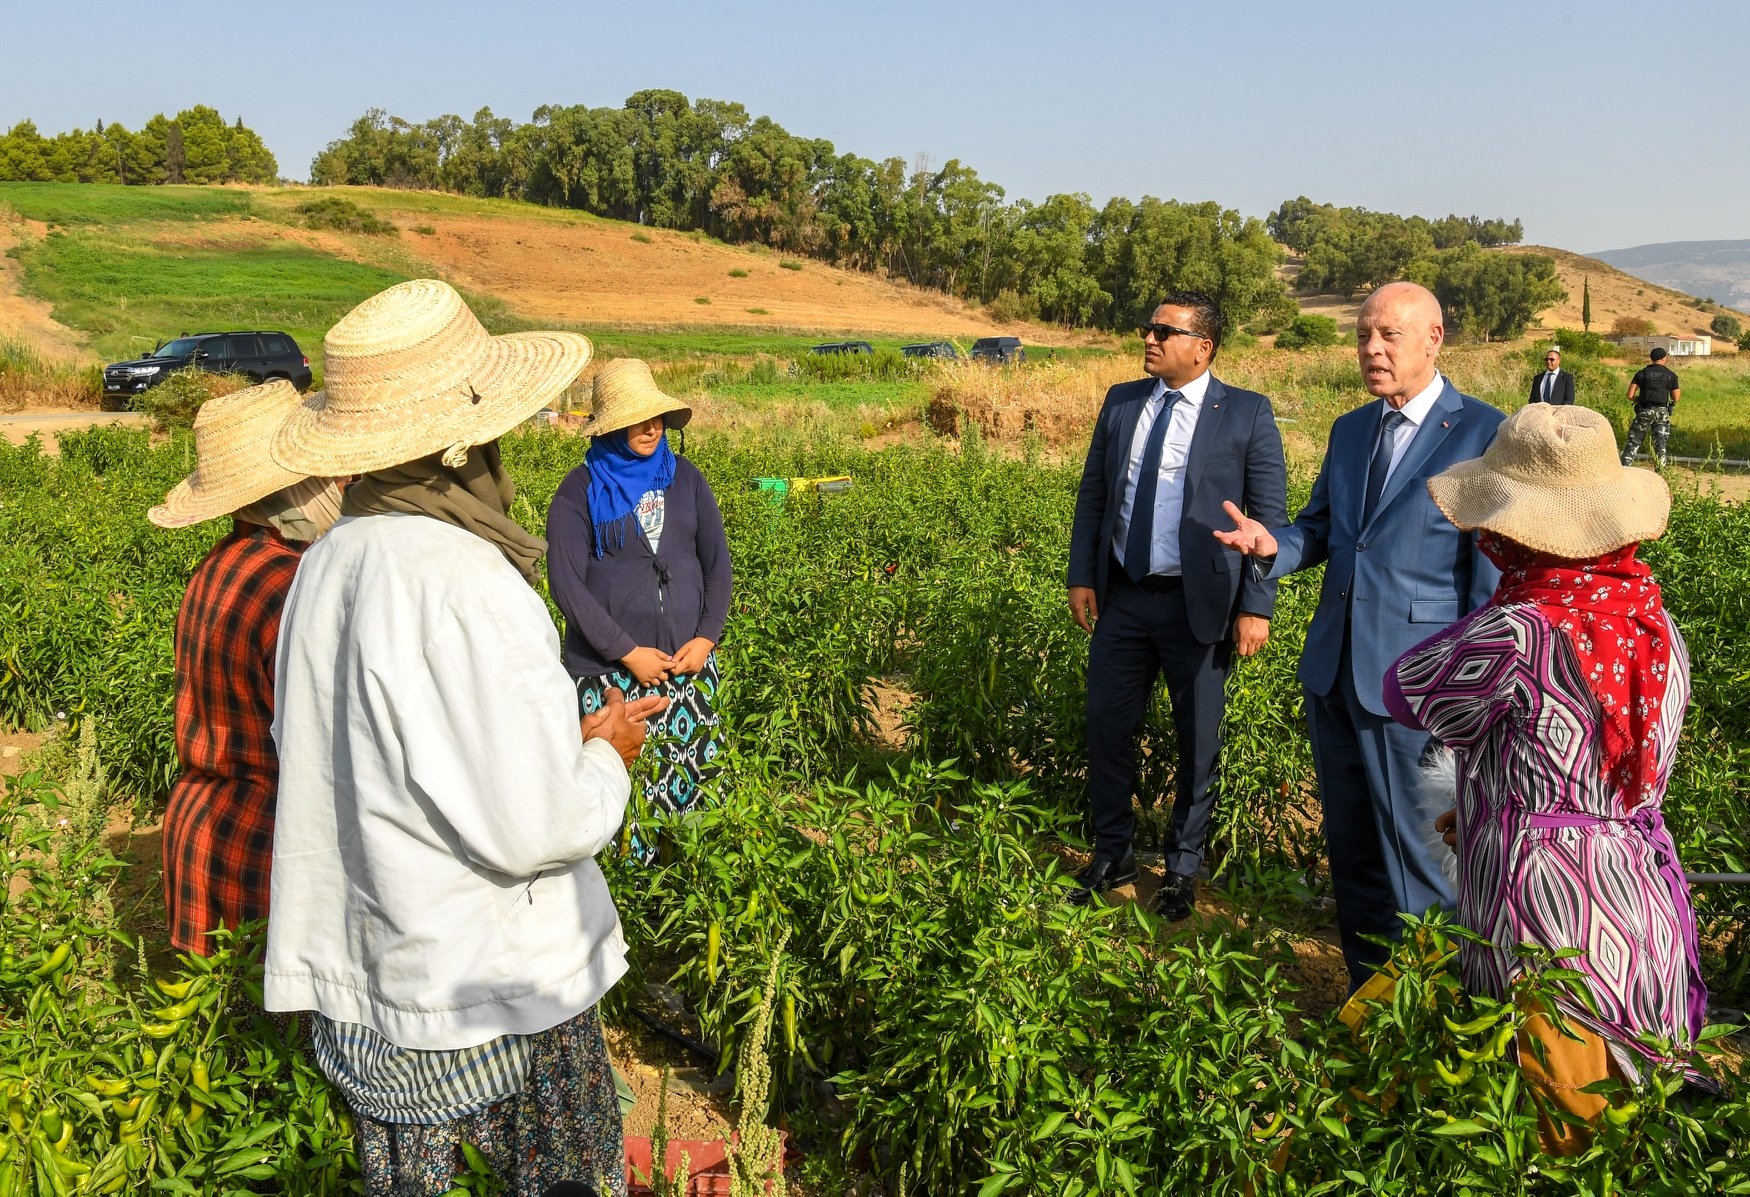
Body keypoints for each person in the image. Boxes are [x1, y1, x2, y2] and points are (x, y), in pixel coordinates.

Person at [264, 280, 662, 1197]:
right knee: (562, 1175)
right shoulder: (467, 578)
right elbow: (536, 821)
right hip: (484, 994)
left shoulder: (325, 564)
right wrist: (604, 754)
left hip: (376, 976)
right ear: (461, 446)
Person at [1385, 403, 1707, 1153]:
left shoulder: (1519, 630)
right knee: (1629, 1121)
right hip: (1637, 898)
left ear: (1513, 532)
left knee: (1539, 1121)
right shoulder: (1654, 623)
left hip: (1540, 909)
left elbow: (1405, 690)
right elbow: (1585, 759)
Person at [1215, 281, 1505, 988]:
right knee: (1354, 856)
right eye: (1363, 337)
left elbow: (1488, 580)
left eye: (1390, 336)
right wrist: (1271, 544)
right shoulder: (1352, 430)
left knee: (1423, 859)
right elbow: (1321, 527)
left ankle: (1433, 1020)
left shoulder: (1483, 433)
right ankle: (1371, 1001)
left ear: (1434, 339)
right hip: (1338, 674)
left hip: (1419, 689)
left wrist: (1468, 698)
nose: (1372, 350)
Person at [1065, 291, 1288, 917]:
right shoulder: (1121, 402)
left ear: (1203, 347)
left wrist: (1257, 604)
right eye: (1149, 327)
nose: (1150, 338)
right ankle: (1113, 851)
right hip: (1125, 599)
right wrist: (1083, 574)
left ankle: (1182, 868)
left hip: (1202, 607)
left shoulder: (1245, 413)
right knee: (1108, 728)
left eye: (1166, 331)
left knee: (1198, 741)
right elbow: (1095, 494)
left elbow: (1269, 518)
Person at [148, 380, 342, 955]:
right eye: (330, 472)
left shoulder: (224, 561)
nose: (344, 482)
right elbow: (327, 748)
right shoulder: (293, 584)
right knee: (269, 1040)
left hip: (202, 832)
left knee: (218, 1037)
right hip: (262, 849)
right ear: (295, 488)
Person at [546, 359, 732, 866]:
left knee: (691, 783)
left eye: (655, 417)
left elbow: (717, 565)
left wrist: (707, 637)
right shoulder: (579, 491)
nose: (651, 428)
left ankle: (684, 884)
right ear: (610, 426)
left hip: (687, 669)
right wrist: (626, 652)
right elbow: (566, 585)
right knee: (622, 796)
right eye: (636, 419)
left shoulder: (686, 480)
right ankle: (628, 907)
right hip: (612, 675)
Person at [1622, 346, 1681, 469]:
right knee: (1660, 444)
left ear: (1652, 359)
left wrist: (1637, 399)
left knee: (1633, 442)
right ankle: (1661, 472)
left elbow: (1630, 395)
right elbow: (1676, 397)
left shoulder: (1641, 373)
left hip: (1644, 410)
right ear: (1663, 358)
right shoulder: (1671, 375)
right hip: (1662, 412)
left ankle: (1625, 468)